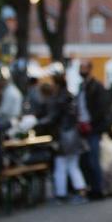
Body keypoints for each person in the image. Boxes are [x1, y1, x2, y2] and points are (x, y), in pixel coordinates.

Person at [36, 76, 88, 205]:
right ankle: (80, 191)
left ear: (57, 85)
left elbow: (53, 117)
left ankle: (61, 194)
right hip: (74, 135)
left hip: (63, 136)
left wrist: (37, 123)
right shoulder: (70, 96)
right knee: (73, 165)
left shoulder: (59, 99)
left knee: (61, 165)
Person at [77, 62, 112, 200]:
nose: (81, 71)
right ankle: (92, 186)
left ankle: (98, 188)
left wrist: (92, 124)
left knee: (93, 159)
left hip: (93, 128)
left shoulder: (96, 86)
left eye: (83, 68)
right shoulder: (83, 87)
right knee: (86, 160)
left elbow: (101, 108)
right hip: (84, 128)